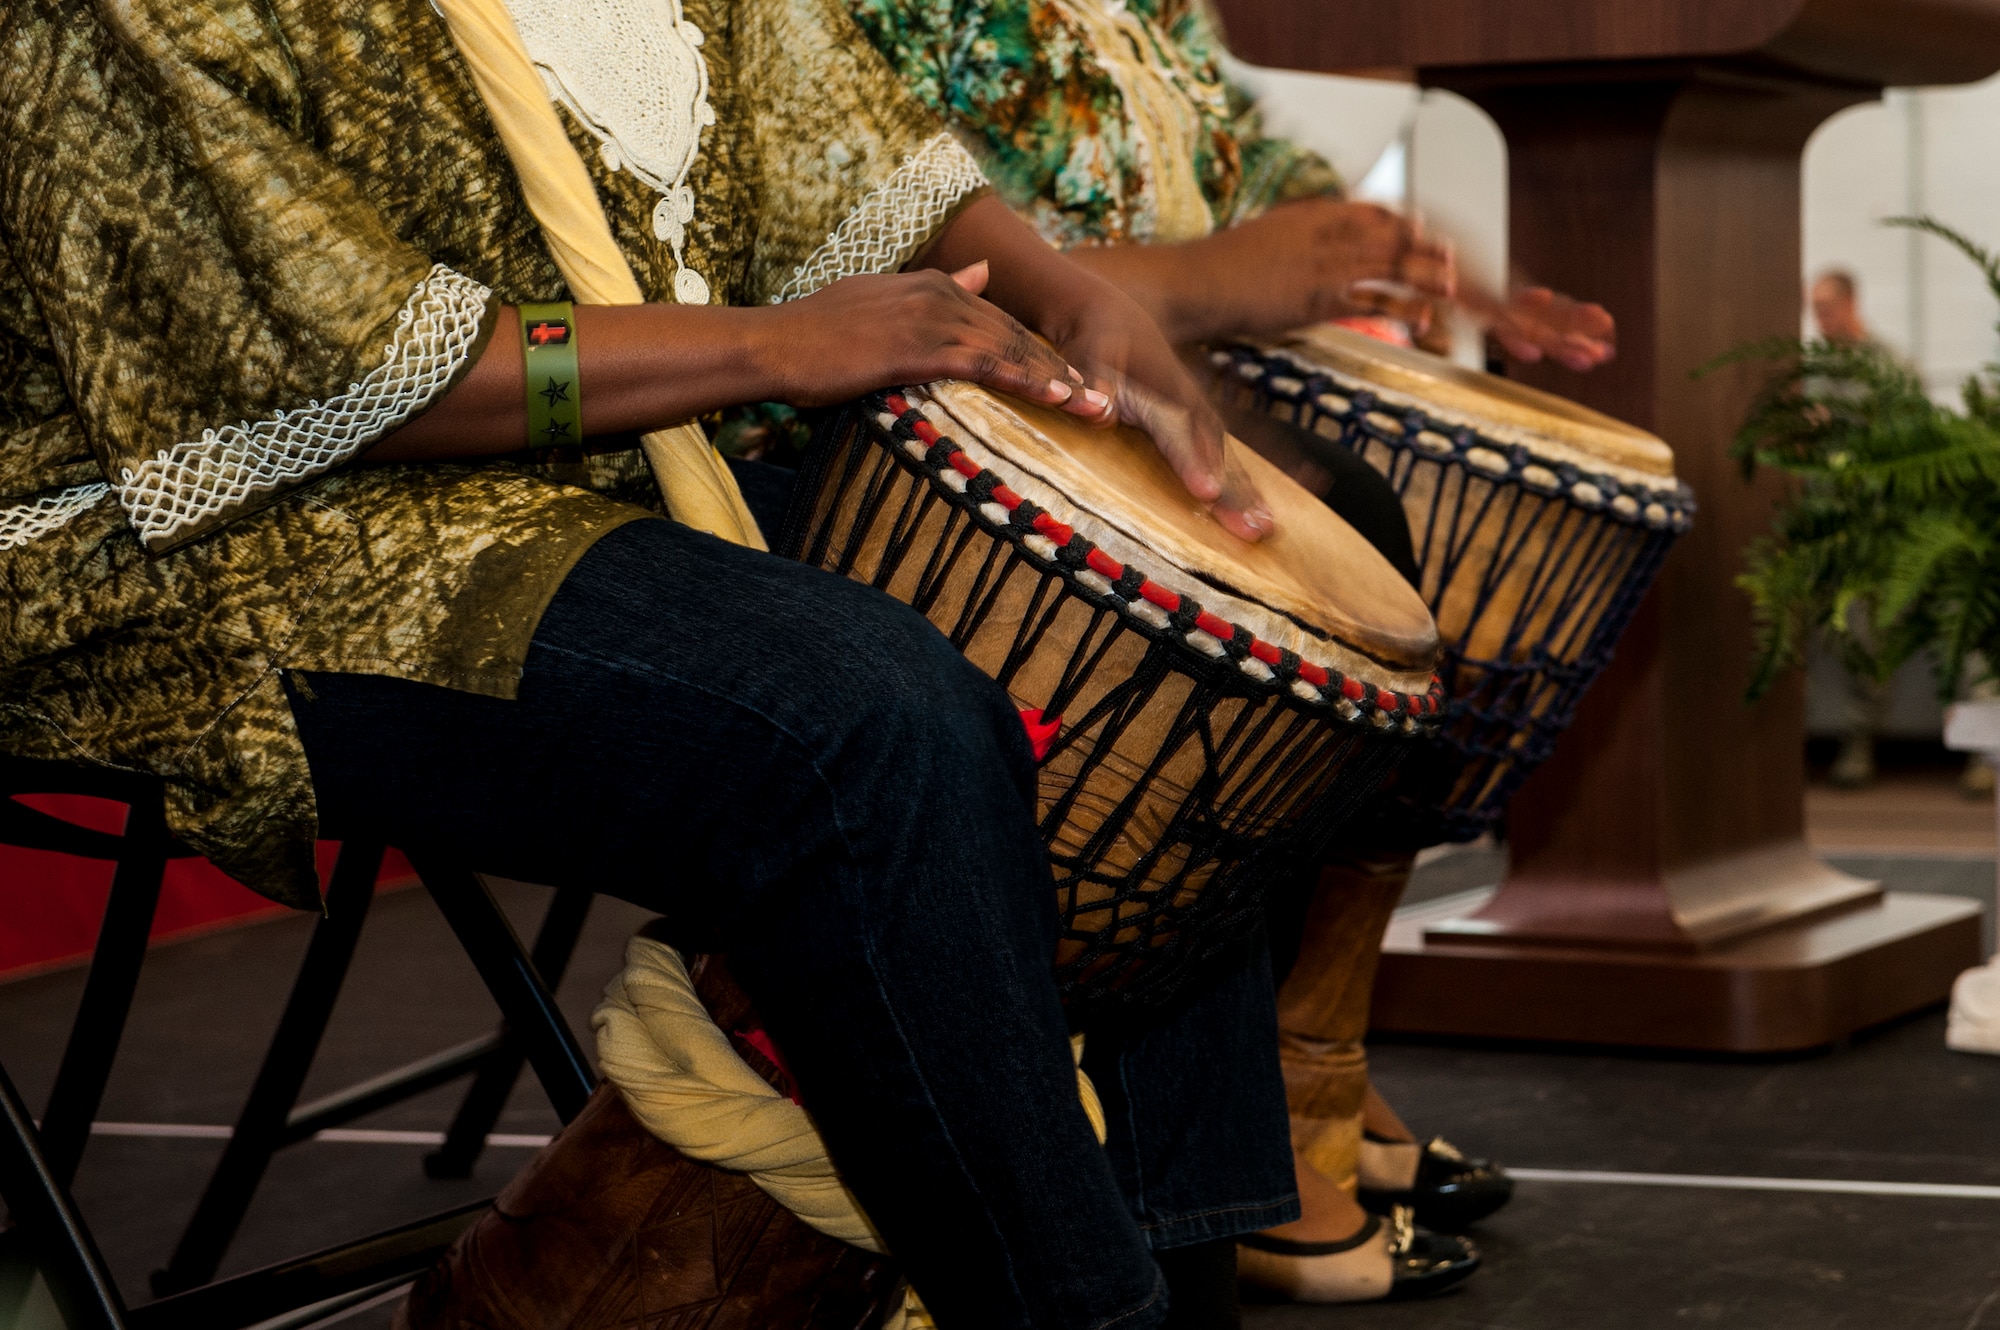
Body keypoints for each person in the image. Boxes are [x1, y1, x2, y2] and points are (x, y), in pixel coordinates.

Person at [0, 0, 1329, 1324]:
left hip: (585, 472)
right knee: (863, 717)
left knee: (1134, 636)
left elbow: (860, 151)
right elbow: (321, 364)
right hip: (208, 553)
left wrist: (1066, 292)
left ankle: (1179, 1263)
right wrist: (769, 342)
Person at [838, 0, 1617, 1302]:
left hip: (1110, 385)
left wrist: (1423, 272)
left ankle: (1307, 1046)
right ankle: (1224, 1160)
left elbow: (1283, 200)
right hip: (937, 420)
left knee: (1359, 520)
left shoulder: (1144, 13)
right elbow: (885, 255)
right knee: (1300, 548)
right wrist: (1221, 278)